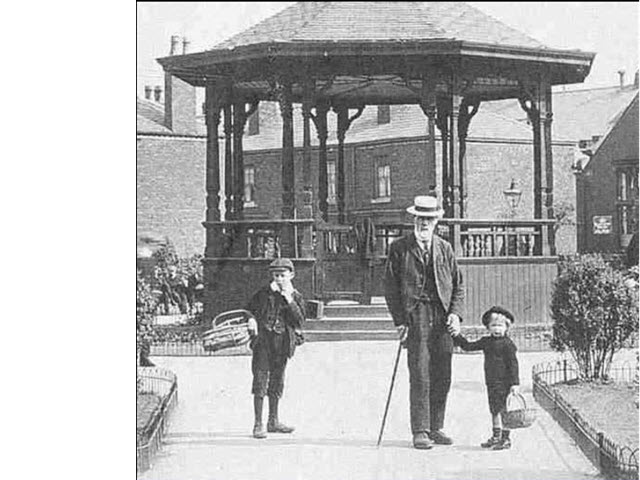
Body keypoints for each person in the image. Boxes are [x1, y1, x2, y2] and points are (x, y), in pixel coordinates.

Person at [384, 195, 464, 450]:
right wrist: (400, 321)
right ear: (414, 220)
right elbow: (390, 288)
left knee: (443, 373)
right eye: (420, 219)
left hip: (442, 317)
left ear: (436, 221)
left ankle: (436, 426)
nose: (425, 223)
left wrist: (455, 314)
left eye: (429, 219)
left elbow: (458, 285)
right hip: (415, 316)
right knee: (420, 372)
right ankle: (420, 430)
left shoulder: (445, 247)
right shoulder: (399, 248)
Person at [245, 258, 306, 439]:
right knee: (260, 380)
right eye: (275, 275)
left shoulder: (295, 296)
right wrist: (251, 319)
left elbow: (300, 320)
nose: (279, 279)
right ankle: (258, 424)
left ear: (291, 275)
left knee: (277, 380)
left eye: (282, 275)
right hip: (263, 343)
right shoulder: (264, 293)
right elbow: (249, 310)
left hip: (282, 343)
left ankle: (273, 421)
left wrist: (288, 299)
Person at [452, 306, 520, 450]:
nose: (497, 329)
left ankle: (506, 438)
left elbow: (513, 365)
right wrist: (457, 335)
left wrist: (515, 383)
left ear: (506, 327)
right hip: (491, 382)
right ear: (488, 327)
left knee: (504, 410)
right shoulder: (486, 341)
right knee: (494, 409)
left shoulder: (508, 345)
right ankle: (496, 436)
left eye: (500, 326)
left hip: (505, 383)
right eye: (493, 325)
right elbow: (468, 346)